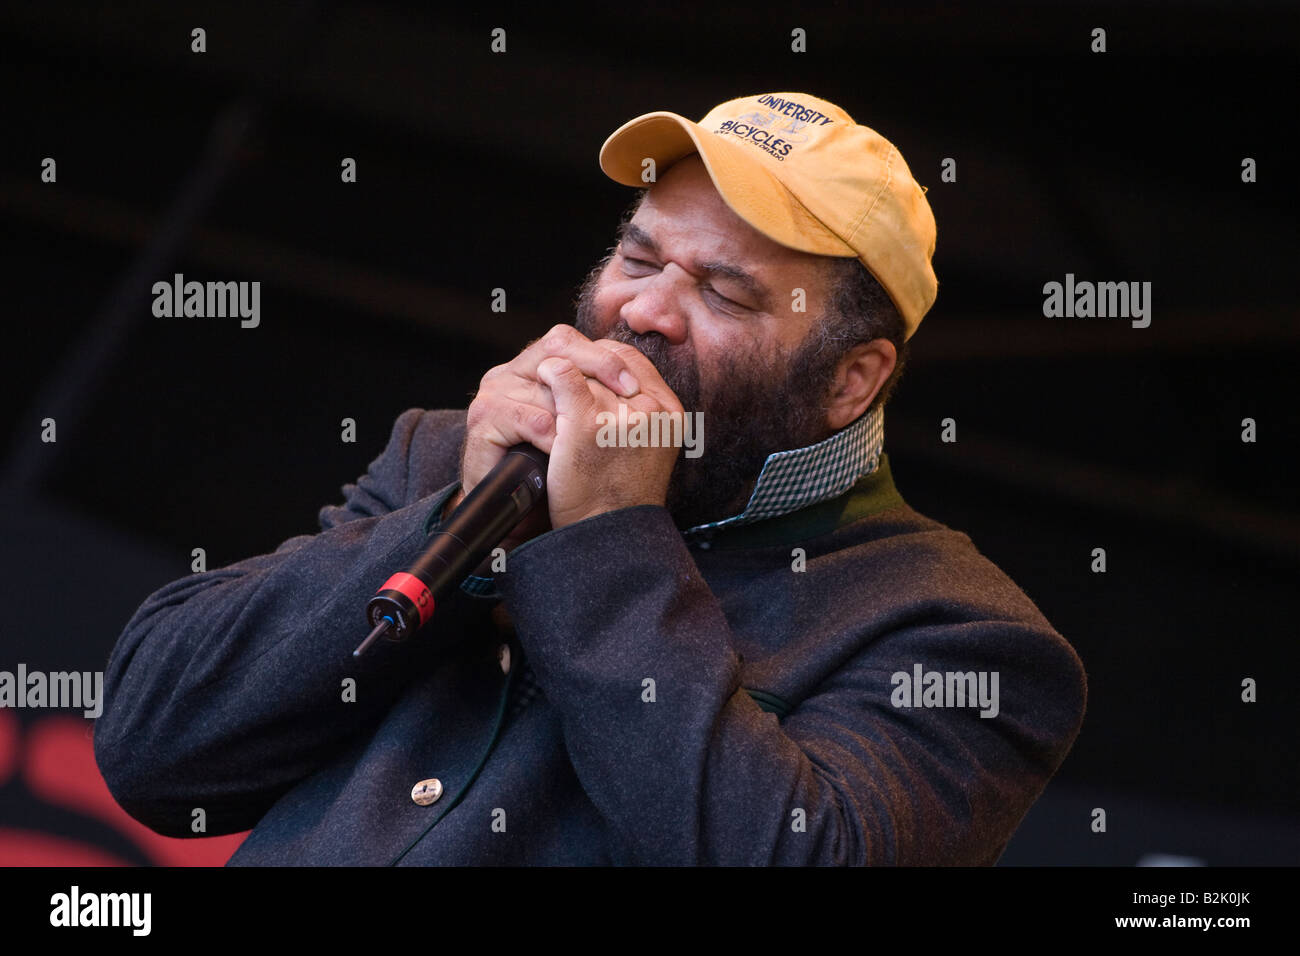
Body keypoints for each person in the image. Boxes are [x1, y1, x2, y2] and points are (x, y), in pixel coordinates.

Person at [94, 92, 1087, 866]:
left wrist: (606, 541)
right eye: (637, 255)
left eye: (722, 290)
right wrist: (452, 524)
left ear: (849, 379)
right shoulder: (449, 457)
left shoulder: (959, 635)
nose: (644, 310)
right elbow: (153, 745)